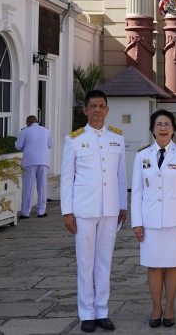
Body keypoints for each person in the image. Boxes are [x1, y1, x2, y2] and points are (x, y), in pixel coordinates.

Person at [61, 90, 127, 333]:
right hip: (84, 209)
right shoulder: (74, 140)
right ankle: (86, 313)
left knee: (104, 262)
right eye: (93, 106)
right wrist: (67, 212)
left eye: (101, 106)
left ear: (107, 110)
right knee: (85, 262)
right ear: (85, 110)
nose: (98, 110)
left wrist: (122, 205)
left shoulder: (116, 137)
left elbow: (121, 175)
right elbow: (67, 179)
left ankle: (102, 311)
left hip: (109, 209)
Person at [131, 110, 176, 328]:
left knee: (173, 265)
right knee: (154, 265)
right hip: (149, 221)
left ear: (174, 129)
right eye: (158, 124)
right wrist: (137, 222)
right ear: (152, 129)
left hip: (175, 220)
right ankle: (156, 307)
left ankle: (170, 307)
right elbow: (137, 192)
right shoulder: (142, 155)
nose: (163, 128)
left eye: (167, 124)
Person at [15, 115, 53, 218]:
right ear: (37, 121)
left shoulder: (25, 131)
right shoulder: (46, 131)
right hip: (43, 161)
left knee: (28, 187)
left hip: (29, 161)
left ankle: (25, 212)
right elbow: (50, 145)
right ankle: (41, 211)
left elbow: (18, 145)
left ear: (28, 123)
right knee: (42, 186)